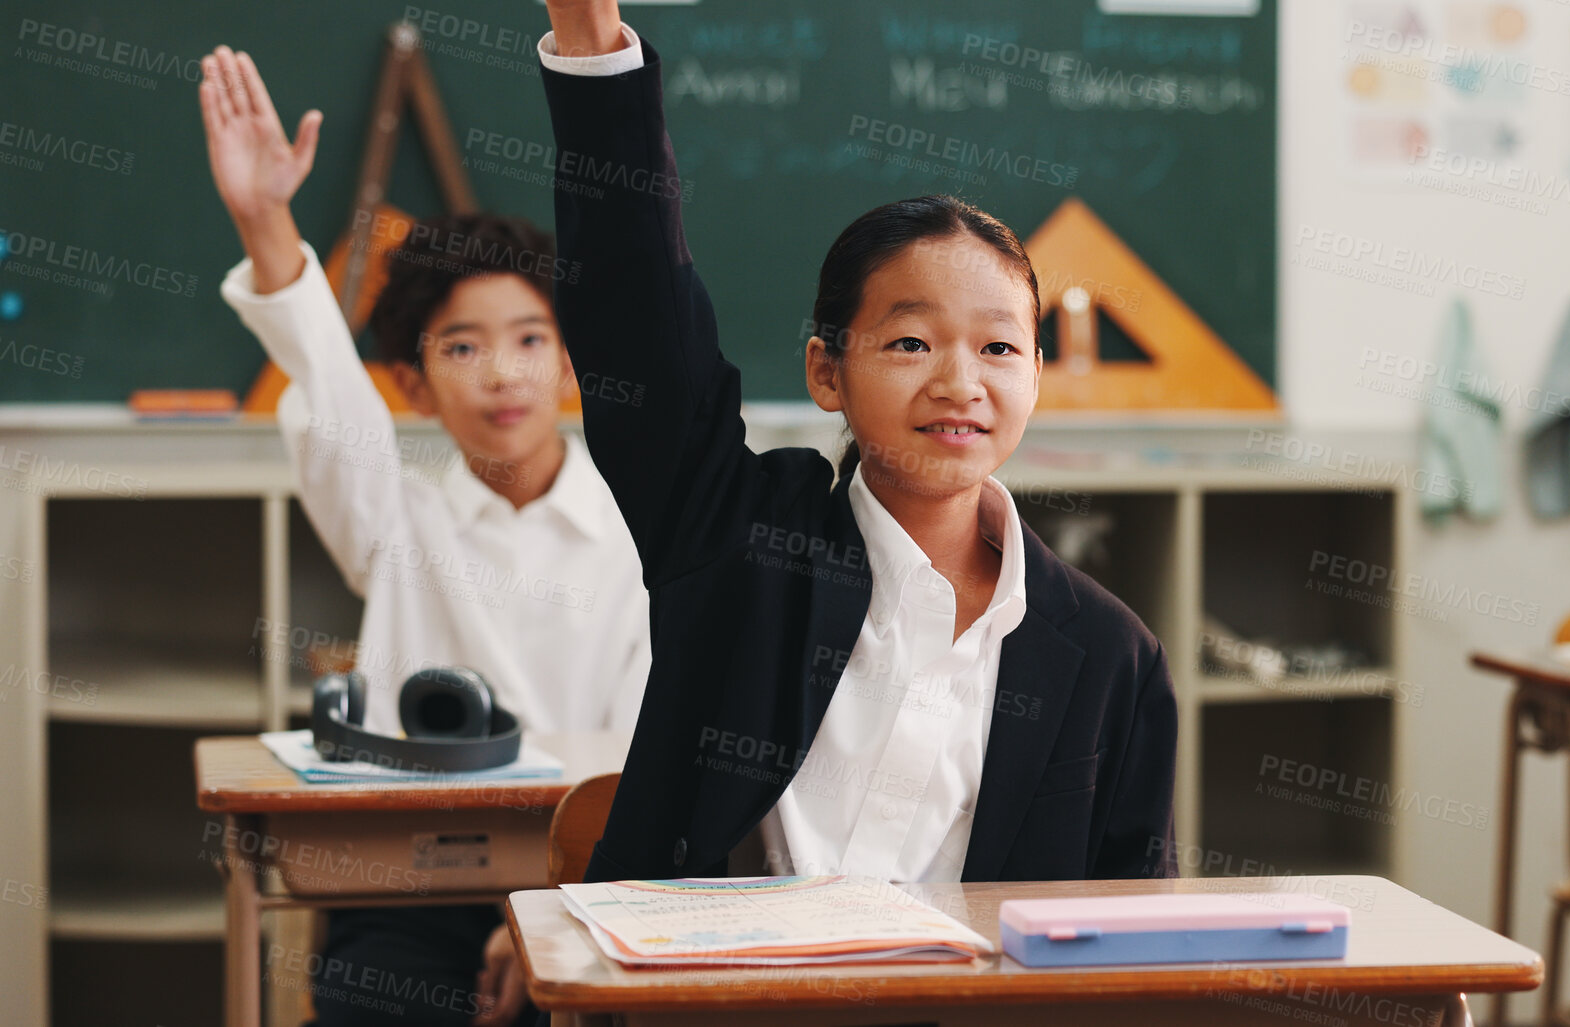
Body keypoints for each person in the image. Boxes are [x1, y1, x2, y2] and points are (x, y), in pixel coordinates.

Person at [532, 0, 1178, 887]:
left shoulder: (1112, 654)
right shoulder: (738, 539)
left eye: (997, 348)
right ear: (826, 371)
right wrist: (589, 38)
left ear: (1035, 372)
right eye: (910, 343)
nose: (959, 383)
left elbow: (1122, 933)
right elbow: (639, 322)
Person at [198, 45, 650, 1026]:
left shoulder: (640, 527)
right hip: (410, 881)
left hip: (591, 877)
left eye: (531, 338)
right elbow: (325, 380)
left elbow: (639, 761)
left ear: (569, 359)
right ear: (412, 383)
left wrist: (547, 914)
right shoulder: (397, 514)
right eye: (461, 345)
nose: (502, 373)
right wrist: (264, 218)